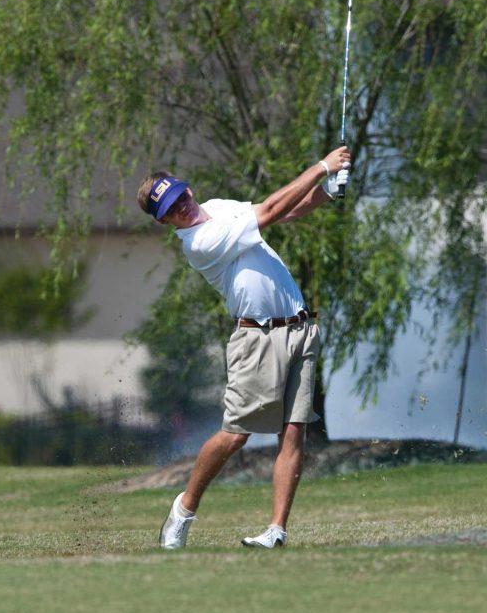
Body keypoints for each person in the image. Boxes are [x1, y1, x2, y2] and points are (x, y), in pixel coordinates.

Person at [139, 146, 351, 549]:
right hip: (256, 338)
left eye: (181, 195)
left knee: (294, 432)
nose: (183, 205)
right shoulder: (198, 241)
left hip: (299, 328)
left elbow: (283, 212)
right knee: (236, 434)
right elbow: (270, 210)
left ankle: (276, 530)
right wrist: (322, 168)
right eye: (172, 207)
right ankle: (183, 509)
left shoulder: (218, 208)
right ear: (165, 220)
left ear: (187, 190)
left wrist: (327, 193)